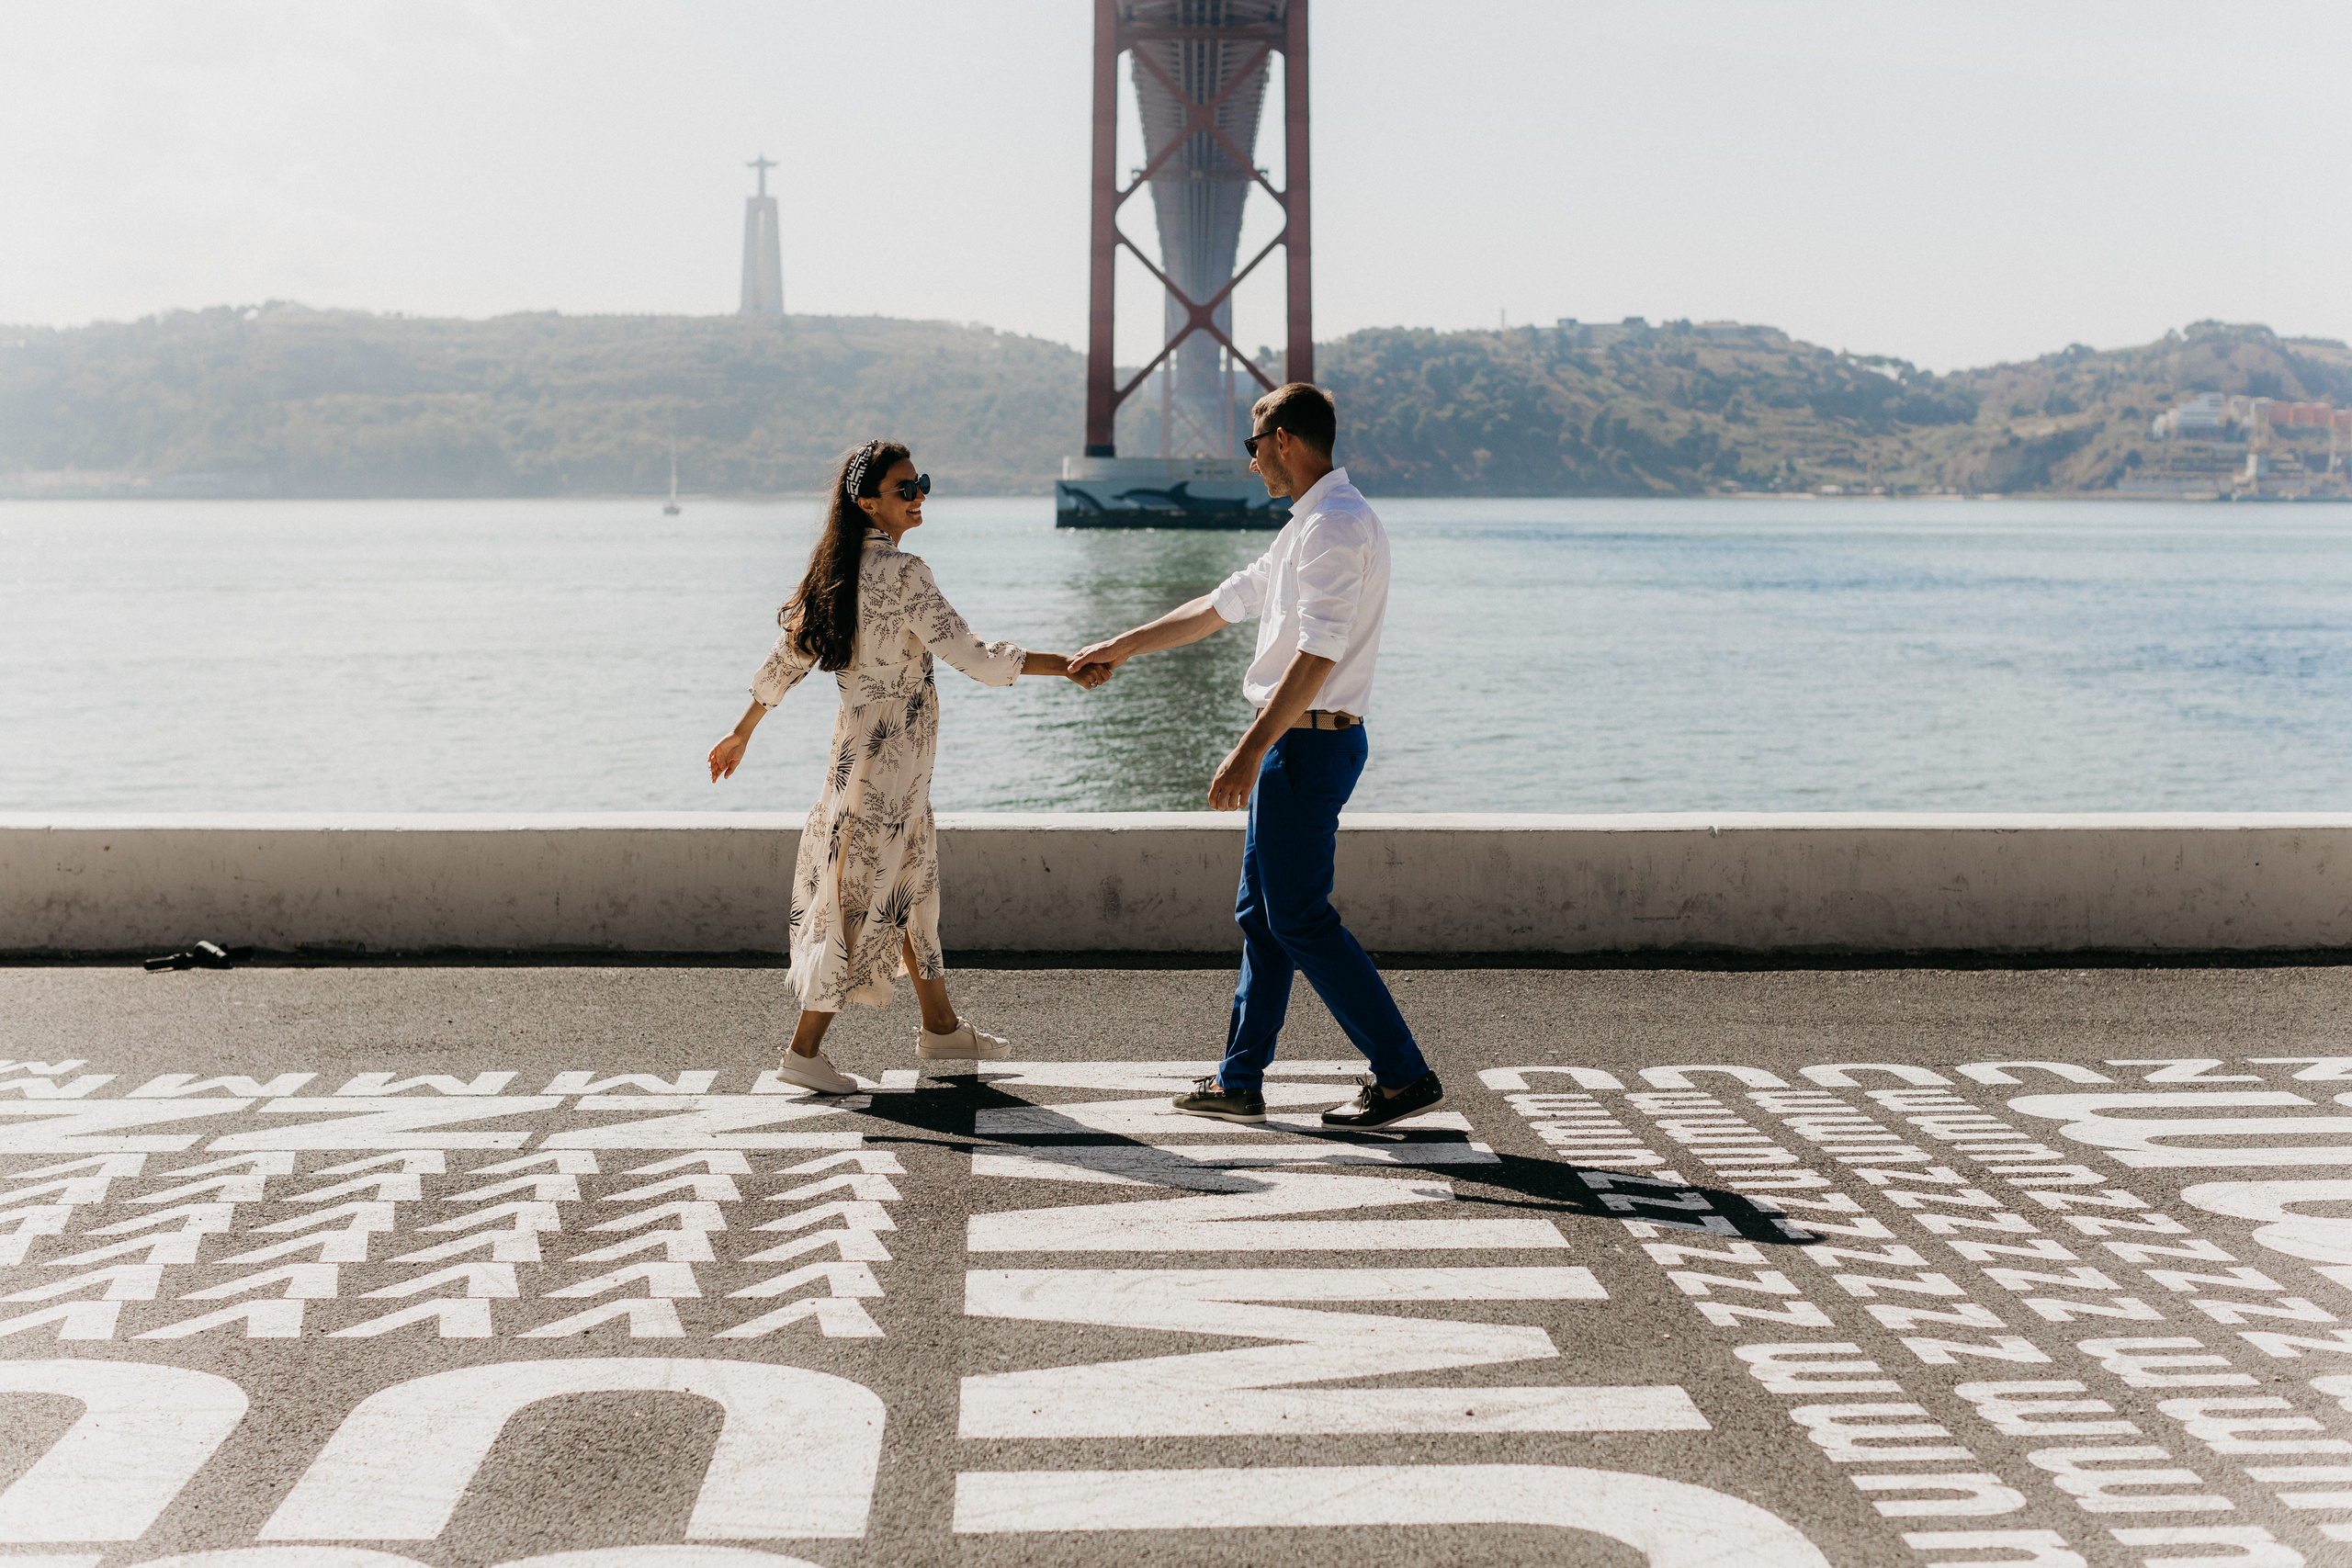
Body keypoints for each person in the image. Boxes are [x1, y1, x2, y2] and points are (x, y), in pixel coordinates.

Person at [1071, 383, 1441, 1129]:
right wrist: (1122, 646)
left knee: (1298, 918)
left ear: (1285, 440)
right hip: (1300, 740)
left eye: (1253, 445)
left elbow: (1318, 652)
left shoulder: (1336, 525)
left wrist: (1249, 749)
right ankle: (1239, 1079)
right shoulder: (1308, 526)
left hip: (1307, 742)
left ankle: (1403, 1072)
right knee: (1265, 917)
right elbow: (1221, 604)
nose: (1249, 463)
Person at [709, 440, 1106, 1093]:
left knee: (912, 886)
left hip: (859, 758)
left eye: (921, 482)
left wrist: (741, 731)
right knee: (862, 893)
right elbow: (974, 656)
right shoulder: (903, 573)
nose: (919, 495)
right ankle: (803, 1052)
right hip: (894, 767)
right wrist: (1065, 665)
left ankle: (941, 1026)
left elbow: (787, 659)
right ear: (868, 502)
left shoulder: (835, 571)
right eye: (904, 488)